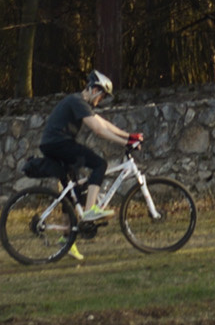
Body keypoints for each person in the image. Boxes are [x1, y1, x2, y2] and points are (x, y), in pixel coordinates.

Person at [35, 69, 140, 220]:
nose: (101, 100)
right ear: (95, 90)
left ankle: (67, 238)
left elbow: (103, 123)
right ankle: (90, 210)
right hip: (58, 144)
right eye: (102, 96)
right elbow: (99, 130)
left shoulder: (79, 102)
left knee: (72, 190)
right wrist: (126, 143)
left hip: (52, 144)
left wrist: (129, 136)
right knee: (99, 165)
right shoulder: (77, 101)